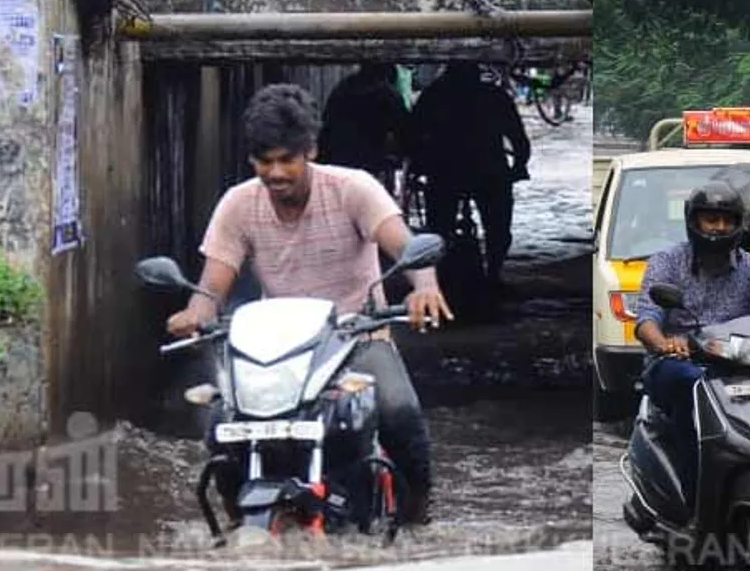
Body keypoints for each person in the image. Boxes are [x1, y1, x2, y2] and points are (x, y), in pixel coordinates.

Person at [165, 83, 453, 526]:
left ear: (311, 151)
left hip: (357, 337)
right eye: (265, 162)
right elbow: (212, 287)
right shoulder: (238, 205)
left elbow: (406, 247)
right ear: (251, 161)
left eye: (287, 160)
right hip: (275, 351)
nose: (276, 172)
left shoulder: (353, 189)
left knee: (400, 411)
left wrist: (425, 286)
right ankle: (238, 523)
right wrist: (195, 315)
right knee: (221, 428)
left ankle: (418, 518)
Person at [633, 180, 750, 497]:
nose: (720, 228)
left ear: (739, 225)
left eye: (728, 221)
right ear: (695, 222)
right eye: (712, 219)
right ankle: (693, 491)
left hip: (738, 362)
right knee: (689, 385)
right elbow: (646, 320)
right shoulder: (667, 261)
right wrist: (664, 343)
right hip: (680, 363)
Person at [407, 62, 532, 288]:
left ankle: (437, 277)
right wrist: (519, 166)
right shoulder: (494, 96)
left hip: (446, 171)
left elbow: (413, 135)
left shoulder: (434, 95)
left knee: (438, 227)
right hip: (487, 171)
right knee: (498, 228)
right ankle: (494, 272)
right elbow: (518, 138)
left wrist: (417, 167)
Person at [320, 62, 409, 196]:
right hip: (368, 160)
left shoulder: (342, 88)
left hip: (337, 158)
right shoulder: (387, 94)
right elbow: (404, 131)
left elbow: (326, 124)